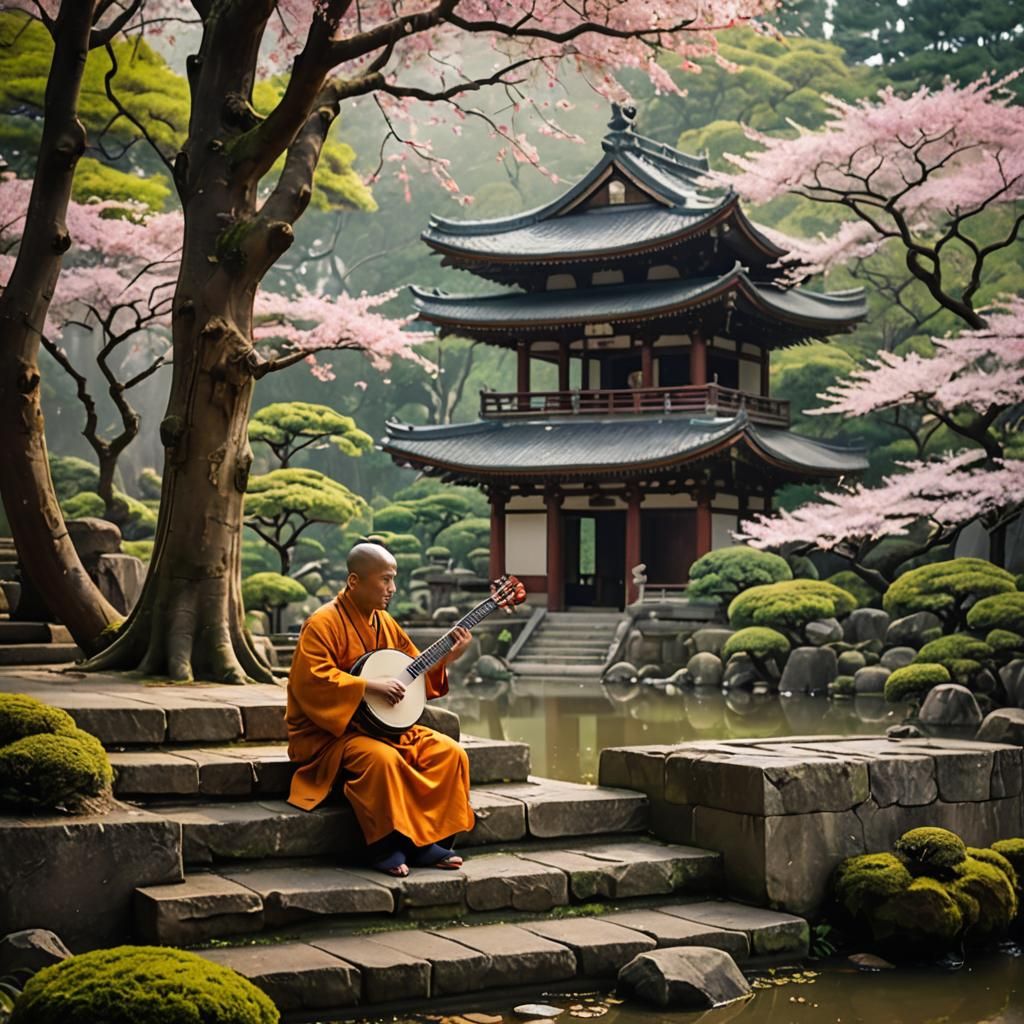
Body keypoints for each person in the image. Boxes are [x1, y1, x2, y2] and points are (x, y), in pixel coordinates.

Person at [285, 542, 474, 877]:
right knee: (382, 760)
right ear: (354, 581)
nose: (392, 589)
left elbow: (413, 669)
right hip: (336, 734)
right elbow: (311, 680)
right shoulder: (322, 624)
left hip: (386, 727)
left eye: (394, 580)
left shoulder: (385, 622)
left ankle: (427, 842)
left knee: (449, 753)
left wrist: (448, 658)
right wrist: (367, 686)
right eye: (385, 580)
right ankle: (385, 846)